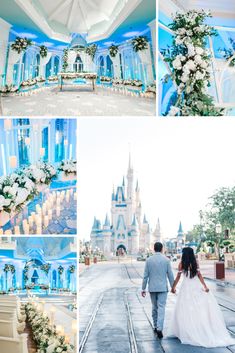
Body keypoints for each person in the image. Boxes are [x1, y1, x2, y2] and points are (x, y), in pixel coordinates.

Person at [168, 247, 235, 348]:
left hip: (186, 287)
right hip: (196, 286)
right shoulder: (196, 263)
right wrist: (205, 286)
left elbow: (178, 277)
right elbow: (199, 275)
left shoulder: (181, 264)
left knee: (185, 309)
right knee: (198, 308)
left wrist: (173, 287)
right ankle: (199, 327)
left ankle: (187, 330)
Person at [142, 242, 174, 339]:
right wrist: (173, 287)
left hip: (152, 287)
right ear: (162, 249)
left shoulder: (149, 260)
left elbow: (145, 276)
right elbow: (170, 275)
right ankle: (160, 328)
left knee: (154, 307)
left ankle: (155, 326)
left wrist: (143, 288)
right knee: (161, 308)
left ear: (153, 249)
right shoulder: (166, 260)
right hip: (163, 288)